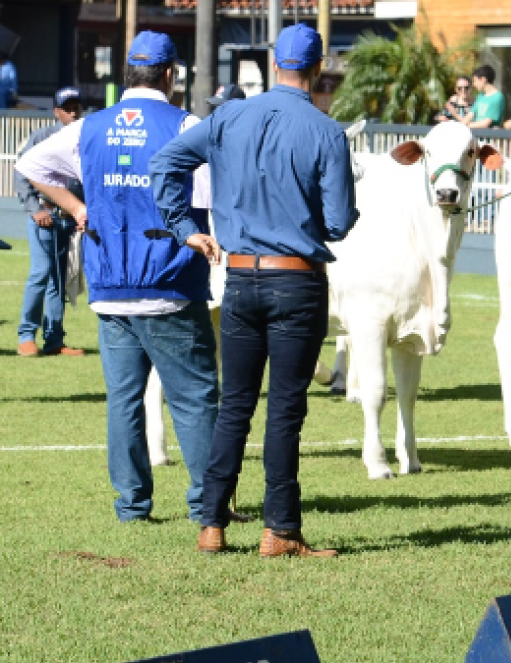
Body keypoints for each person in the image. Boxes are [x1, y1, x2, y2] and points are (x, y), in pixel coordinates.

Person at [151, 23, 359, 558]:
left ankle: (212, 525)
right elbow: (337, 223)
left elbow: (166, 162)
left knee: (234, 406)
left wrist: (183, 227)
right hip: (297, 279)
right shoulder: (325, 130)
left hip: (240, 277)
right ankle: (280, 530)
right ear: (317, 70)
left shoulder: (227, 116)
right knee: (285, 409)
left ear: (274, 62)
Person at [15, 32, 219, 524]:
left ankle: (132, 507)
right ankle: (206, 507)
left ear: (127, 73)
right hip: (170, 282)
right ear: (171, 75)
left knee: (124, 402)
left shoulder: (89, 127)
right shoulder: (187, 125)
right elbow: (213, 196)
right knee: (193, 400)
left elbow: (28, 164)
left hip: (111, 287)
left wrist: (76, 206)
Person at [14, 87, 86, 358]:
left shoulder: (86, 138)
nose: (73, 111)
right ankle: (26, 336)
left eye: (76, 106)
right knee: (41, 272)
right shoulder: (43, 137)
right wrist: (34, 208)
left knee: (58, 278)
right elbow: (21, 171)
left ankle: (54, 339)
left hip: (69, 218)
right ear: (56, 112)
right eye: (67, 108)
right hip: (44, 214)